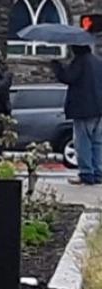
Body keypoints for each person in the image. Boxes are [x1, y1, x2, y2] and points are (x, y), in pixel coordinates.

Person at [53, 44, 102, 186]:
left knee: (83, 142)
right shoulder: (98, 61)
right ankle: (98, 173)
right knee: (97, 142)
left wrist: (57, 67)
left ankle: (86, 173)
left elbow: (68, 77)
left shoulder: (80, 61)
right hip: (99, 109)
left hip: (83, 109)